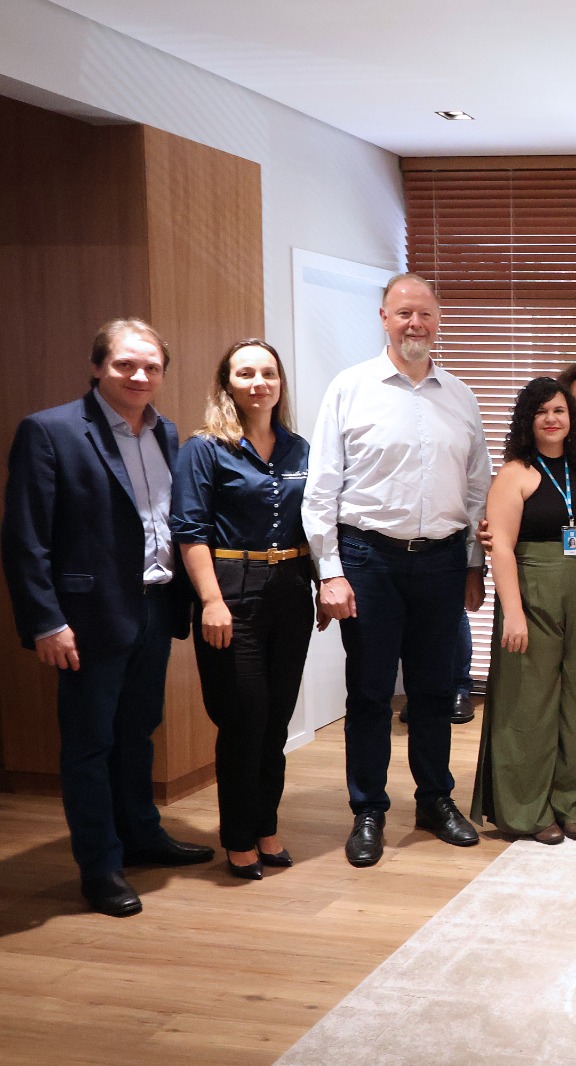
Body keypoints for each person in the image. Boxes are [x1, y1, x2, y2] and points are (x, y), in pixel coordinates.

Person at [2, 319, 213, 917]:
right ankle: (99, 867)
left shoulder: (167, 432)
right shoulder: (51, 431)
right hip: (87, 616)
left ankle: (141, 835)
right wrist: (46, 621)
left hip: (155, 606)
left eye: (151, 366)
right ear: (98, 367)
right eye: (125, 364)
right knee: (90, 744)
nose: (139, 375)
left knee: (138, 731)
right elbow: (24, 539)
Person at [303, 273, 490, 867]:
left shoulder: (460, 396)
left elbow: (477, 488)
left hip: (441, 561)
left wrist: (474, 564)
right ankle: (368, 810)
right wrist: (329, 572)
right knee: (370, 692)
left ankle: (434, 800)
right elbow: (321, 488)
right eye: (404, 313)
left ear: (438, 321)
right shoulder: (350, 388)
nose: (416, 323)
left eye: (425, 314)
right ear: (383, 317)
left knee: (435, 690)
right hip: (369, 561)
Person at [170, 340, 315, 880]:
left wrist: (323, 583)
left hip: (291, 591)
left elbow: (315, 522)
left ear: (280, 383)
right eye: (246, 373)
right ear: (227, 384)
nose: (259, 383)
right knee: (244, 718)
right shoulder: (204, 449)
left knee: (276, 720)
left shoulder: (299, 449)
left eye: (268, 373)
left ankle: (266, 826)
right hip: (231, 591)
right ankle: (237, 836)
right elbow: (189, 531)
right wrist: (210, 600)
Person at [473, 377, 576, 844]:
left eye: (559, 410)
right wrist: (513, 612)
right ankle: (529, 811)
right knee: (530, 702)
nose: (552, 419)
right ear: (528, 420)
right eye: (541, 412)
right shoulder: (515, 473)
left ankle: (574, 802)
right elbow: (500, 547)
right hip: (533, 592)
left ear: (571, 417)